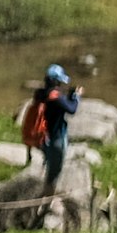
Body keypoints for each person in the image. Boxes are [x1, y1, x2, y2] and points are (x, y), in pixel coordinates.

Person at [22, 63, 83, 197]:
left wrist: (68, 97)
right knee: (54, 173)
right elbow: (72, 109)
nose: (61, 86)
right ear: (56, 82)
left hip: (44, 139)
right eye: (60, 83)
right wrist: (76, 96)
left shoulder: (41, 95)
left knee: (50, 169)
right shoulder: (55, 98)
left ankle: (47, 195)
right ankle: (46, 202)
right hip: (56, 140)